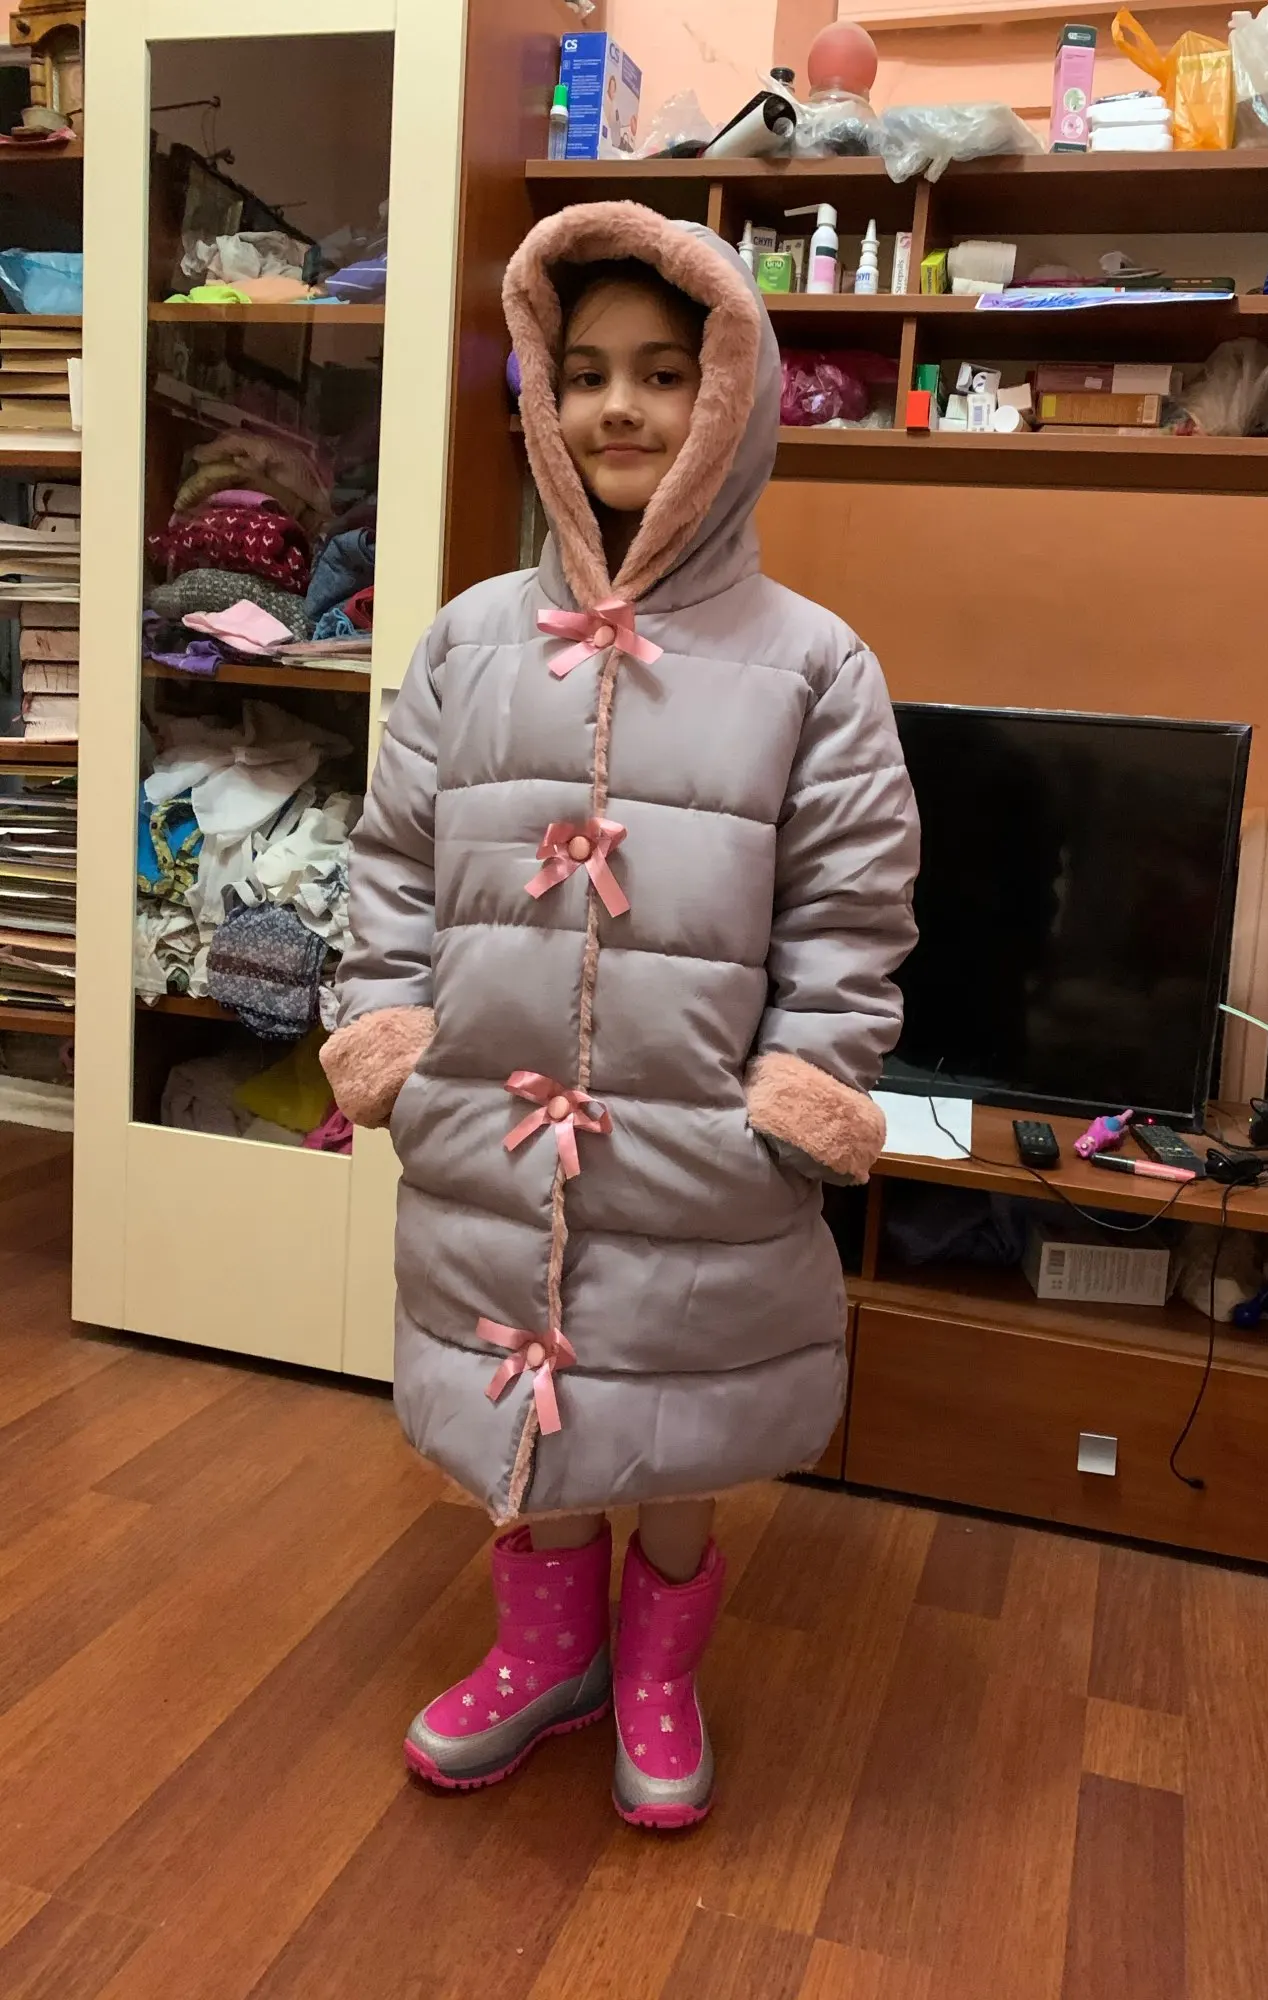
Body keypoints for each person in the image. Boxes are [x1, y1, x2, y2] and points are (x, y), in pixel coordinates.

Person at [321, 201, 918, 1829]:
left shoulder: (813, 664)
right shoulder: (467, 642)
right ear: (539, 395)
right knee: (534, 1396)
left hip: (696, 1126)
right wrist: (392, 1030)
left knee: (677, 1411)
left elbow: (852, 906)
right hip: (494, 1113)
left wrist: (802, 1079)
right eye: (583, 373)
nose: (621, 408)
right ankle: (545, 1653)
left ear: (733, 395)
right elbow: (391, 862)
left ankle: (656, 1672)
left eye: (665, 372)